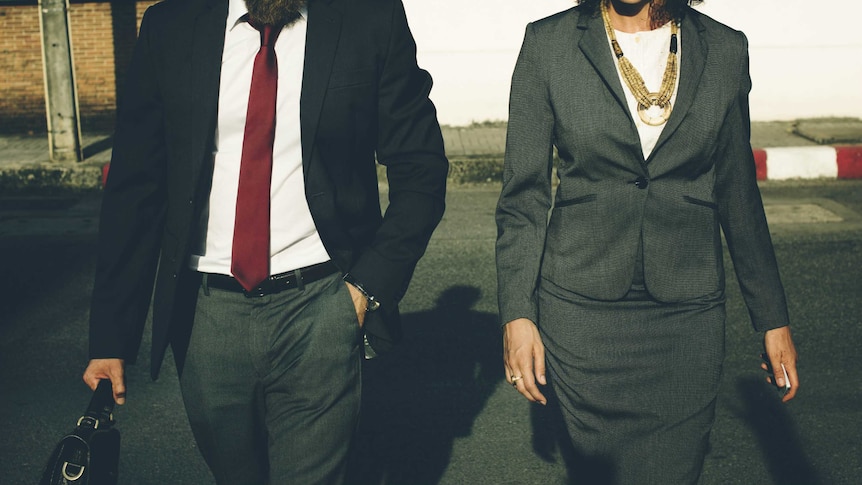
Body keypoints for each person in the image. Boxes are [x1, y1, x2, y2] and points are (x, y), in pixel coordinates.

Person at [82, 0, 448, 482]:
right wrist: (112, 337)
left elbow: (421, 167)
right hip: (206, 313)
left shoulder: (366, 18)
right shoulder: (171, 25)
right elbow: (136, 185)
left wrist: (364, 290)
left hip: (321, 304)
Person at [495, 0, 798, 483]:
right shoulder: (548, 44)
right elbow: (523, 198)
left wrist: (772, 318)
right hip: (580, 315)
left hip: (686, 318)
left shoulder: (724, 48)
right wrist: (517, 313)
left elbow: (738, 193)